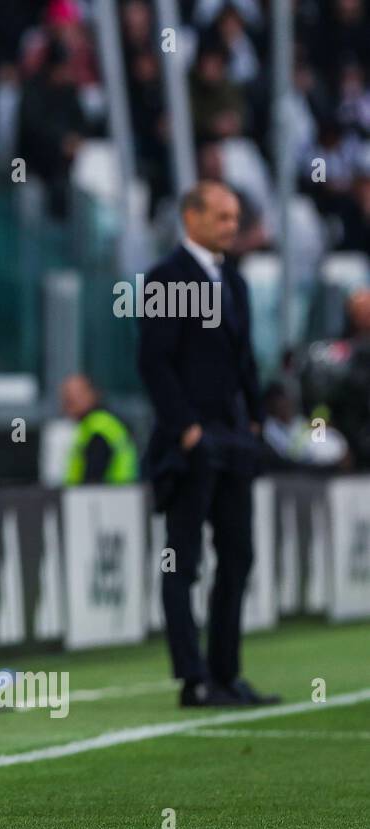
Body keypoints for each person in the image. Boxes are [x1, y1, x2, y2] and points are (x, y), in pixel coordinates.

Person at [137, 180, 279, 709]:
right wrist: (186, 428)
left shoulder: (233, 281)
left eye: (235, 217)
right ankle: (192, 678)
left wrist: (256, 419)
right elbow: (154, 362)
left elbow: (244, 359)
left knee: (238, 556)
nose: (231, 227)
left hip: (233, 438)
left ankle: (225, 673)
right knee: (183, 560)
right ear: (190, 217)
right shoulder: (166, 279)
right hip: (191, 442)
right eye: (221, 217)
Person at [59, 374, 138, 484]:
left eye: (77, 395)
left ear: (93, 394)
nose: (69, 401)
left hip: (108, 497)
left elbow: (93, 479)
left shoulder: (98, 428)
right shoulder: (98, 424)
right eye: (66, 396)